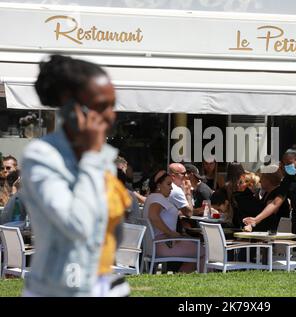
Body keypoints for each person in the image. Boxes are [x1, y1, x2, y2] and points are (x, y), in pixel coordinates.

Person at [21, 55, 130, 297]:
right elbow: (78, 225)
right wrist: (91, 157)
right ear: (71, 109)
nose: (111, 115)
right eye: (102, 106)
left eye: (113, 105)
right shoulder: (42, 156)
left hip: (104, 285)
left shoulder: (102, 157)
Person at [144, 170, 203, 273]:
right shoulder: (158, 198)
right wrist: (171, 233)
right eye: (168, 184)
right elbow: (153, 216)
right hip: (163, 244)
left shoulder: (151, 197)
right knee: (205, 251)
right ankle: (199, 282)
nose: (171, 187)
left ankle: (180, 277)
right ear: (158, 185)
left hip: (155, 245)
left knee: (199, 249)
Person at [242, 165, 291, 232]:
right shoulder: (268, 193)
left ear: (269, 180)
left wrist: (253, 222)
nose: (260, 181)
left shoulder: (276, 193)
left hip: (275, 232)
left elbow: (269, 215)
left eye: (262, 178)